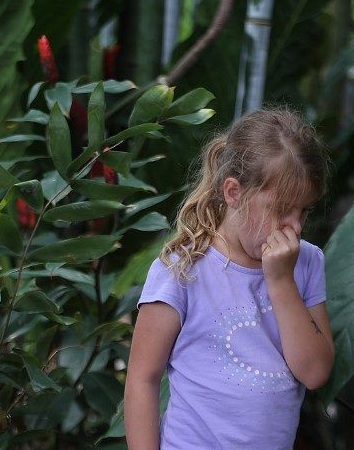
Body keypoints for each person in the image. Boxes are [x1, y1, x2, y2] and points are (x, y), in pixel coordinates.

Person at [124, 108, 334, 450]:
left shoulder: (306, 262)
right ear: (233, 193)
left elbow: (314, 373)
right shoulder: (182, 269)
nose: (295, 228)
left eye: (305, 211)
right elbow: (142, 380)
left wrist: (281, 281)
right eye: (282, 209)